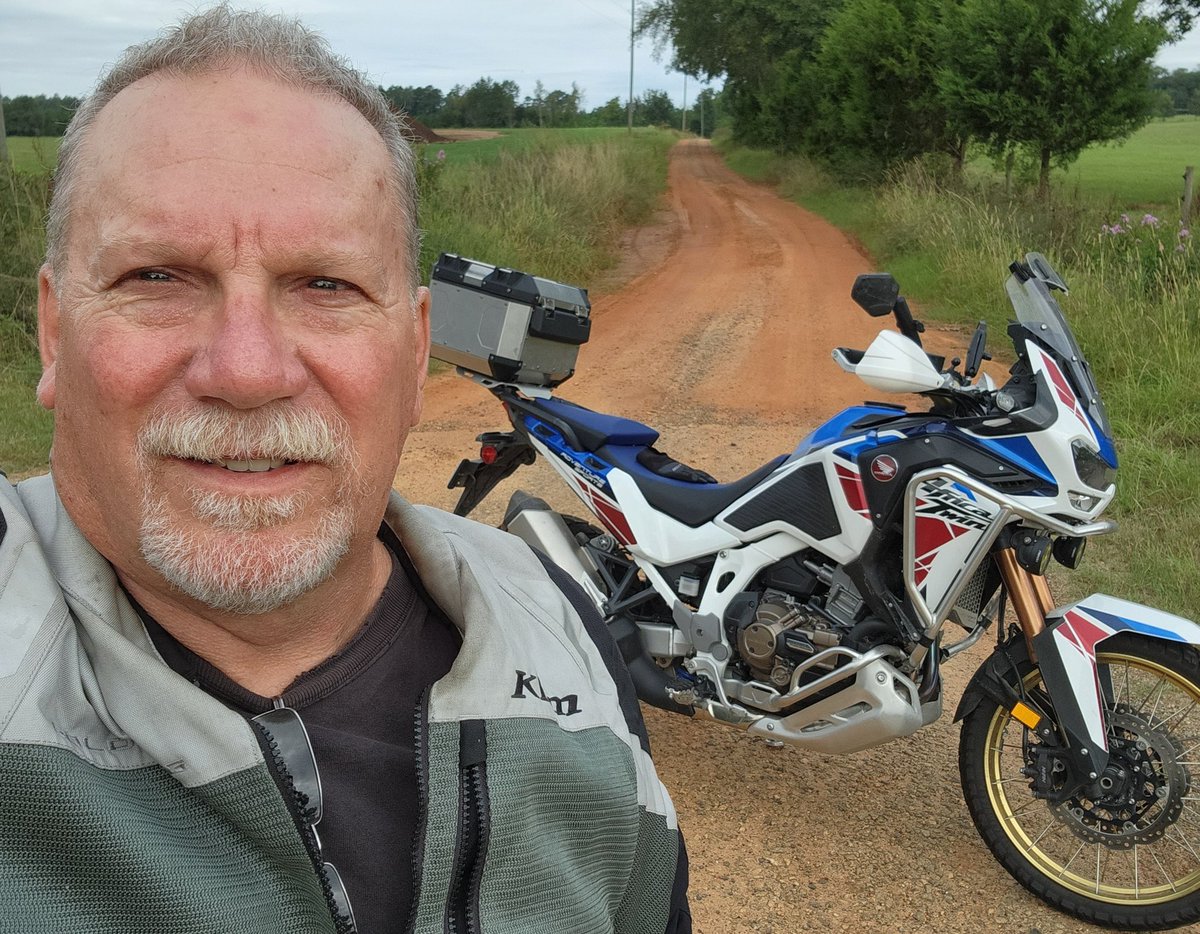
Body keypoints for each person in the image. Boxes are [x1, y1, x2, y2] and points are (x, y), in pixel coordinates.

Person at [0, 7, 690, 933]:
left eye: (325, 285)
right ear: (54, 331)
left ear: (412, 356)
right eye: (156, 277)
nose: (247, 371)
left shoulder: (554, 625)